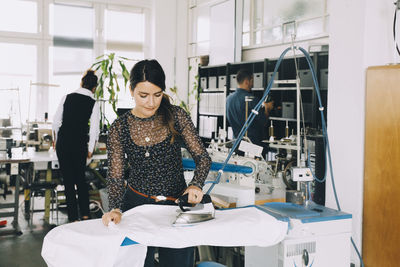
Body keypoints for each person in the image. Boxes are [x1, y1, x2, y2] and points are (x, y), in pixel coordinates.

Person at [101, 59, 212, 267]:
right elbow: (115, 175)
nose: (151, 102)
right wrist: (115, 208)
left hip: (176, 208)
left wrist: (196, 184)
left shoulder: (176, 116)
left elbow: (203, 158)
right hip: (136, 207)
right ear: (131, 90)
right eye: (143, 95)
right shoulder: (119, 127)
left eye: (157, 95)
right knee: (137, 262)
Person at [52, 69, 100, 222]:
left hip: (63, 142)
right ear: (94, 88)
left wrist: (55, 140)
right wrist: (90, 149)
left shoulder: (67, 97)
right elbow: (94, 130)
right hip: (79, 143)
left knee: (68, 181)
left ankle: (73, 217)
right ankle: (85, 214)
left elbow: (55, 122)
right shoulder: (93, 102)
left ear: (81, 82)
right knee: (80, 180)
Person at [226, 69, 274, 148]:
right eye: (252, 80)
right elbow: (263, 122)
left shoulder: (228, 99)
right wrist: (267, 108)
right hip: (252, 145)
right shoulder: (251, 99)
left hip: (236, 143)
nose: (253, 83)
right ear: (246, 81)